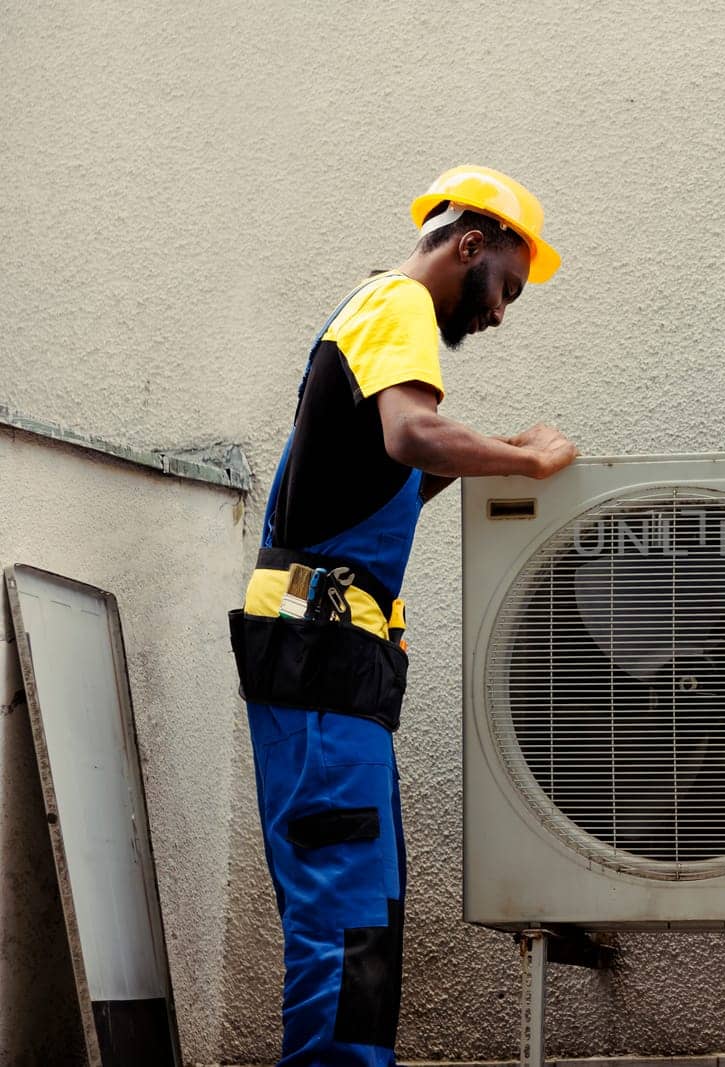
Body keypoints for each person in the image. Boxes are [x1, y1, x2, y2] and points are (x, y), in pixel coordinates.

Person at [227, 165, 578, 1067]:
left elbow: (395, 473)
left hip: (336, 666)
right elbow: (410, 438)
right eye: (506, 284)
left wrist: (488, 457)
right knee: (343, 921)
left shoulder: (387, 333)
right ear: (472, 245)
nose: (501, 312)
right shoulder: (397, 306)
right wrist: (522, 458)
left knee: (369, 919)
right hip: (318, 663)